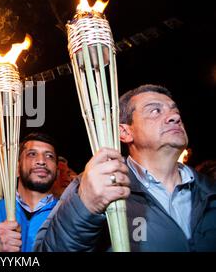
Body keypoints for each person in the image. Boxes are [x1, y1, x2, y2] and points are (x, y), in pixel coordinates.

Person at [34, 84, 216, 252]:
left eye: (175, 111)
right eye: (155, 111)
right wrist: (85, 207)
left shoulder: (209, 190)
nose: (174, 117)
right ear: (125, 132)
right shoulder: (94, 185)